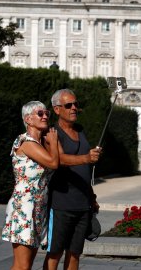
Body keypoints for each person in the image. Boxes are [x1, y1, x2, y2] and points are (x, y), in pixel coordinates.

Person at [44, 89, 101, 270]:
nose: (74, 108)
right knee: (55, 254)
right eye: (69, 105)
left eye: (76, 104)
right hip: (61, 204)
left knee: (75, 254)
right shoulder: (52, 133)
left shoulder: (80, 130)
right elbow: (59, 160)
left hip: (82, 204)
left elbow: (83, 169)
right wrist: (86, 158)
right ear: (57, 109)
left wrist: (91, 196)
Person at [2, 101, 59, 270]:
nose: (45, 117)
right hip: (24, 207)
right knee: (22, 266)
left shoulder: (40, 143)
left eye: (47, 113)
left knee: (27, 264)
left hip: (38, 207)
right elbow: (53, 163)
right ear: (28, 119)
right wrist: (54, 142)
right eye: (40, 114)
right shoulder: (26, 143)